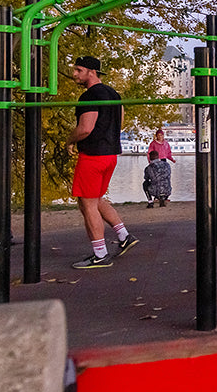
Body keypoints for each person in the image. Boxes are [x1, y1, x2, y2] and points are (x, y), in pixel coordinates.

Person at [67, 55, 138, 269]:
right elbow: (121, 121)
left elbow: (85, 128)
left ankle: (100, 254)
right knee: (96, 199)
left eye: (79, 70)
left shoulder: (90, 96)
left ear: (92, 72)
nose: (74, 74)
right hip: (110, 155)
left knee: (87, 204)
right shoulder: (114, 94)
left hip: (93, 155)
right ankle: (124, 236)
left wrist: (69, 141)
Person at [142, 128, 175, 208]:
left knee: (162, 177)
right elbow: (149, 153)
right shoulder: (153, 144)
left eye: (162, 135)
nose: (160, 137)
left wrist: (172, 159)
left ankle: (157, 197)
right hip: (155, 160)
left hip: (163, 160)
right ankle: (161, 196)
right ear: (156, 136)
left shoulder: (166, 143)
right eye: (159, 135)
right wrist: (150, 161)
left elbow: (168, 153)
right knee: (157, 177)